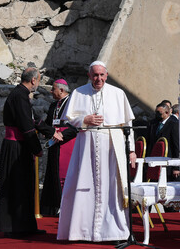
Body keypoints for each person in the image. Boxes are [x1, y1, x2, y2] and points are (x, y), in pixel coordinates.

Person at [57, 61, 137, 242]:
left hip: (112, 145)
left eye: (101, 75)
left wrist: (131, 150)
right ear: (89, 76)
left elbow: (127, 125)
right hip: (86, 146)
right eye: (95, 75)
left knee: (112, 188)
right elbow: (68, 120)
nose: (98, 78)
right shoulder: (78, 92)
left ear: (106, 75)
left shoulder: (118, 94)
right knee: (83, 186)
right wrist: (84, 119)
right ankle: (81, 231)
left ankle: (114, 232)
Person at [0, 68, 62, 238]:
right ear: (33, 80)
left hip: (18, 145)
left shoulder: (20, 94)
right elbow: (27, 126)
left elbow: (33, 120)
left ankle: (24, 225)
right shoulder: (20, 96)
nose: (37, 84)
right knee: (17, 186)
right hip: (16, 146)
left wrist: (50, 131)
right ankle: (15, 227)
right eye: (38, 81)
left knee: (24, 186)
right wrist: (37, 148)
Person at [40, 79, 77, 216]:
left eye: (53, 89)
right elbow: (49, 123)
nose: (51, 91)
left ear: (61, 90)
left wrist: (61, 135)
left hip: (66, 144)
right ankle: (53, 207)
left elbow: (75, 125)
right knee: (52, 174)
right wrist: (47, 132)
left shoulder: (72, 103)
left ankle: (65, 206)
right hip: (54, 144)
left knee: (64, 176)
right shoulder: (53, 105)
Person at [148, 102, 180, 181]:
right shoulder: (154, 125)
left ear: (167, 112)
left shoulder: (173, 124)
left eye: (159, 113)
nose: (157, 115)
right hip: (155, 162)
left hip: (168, 163)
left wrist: (176, 167)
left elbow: (176, 146)